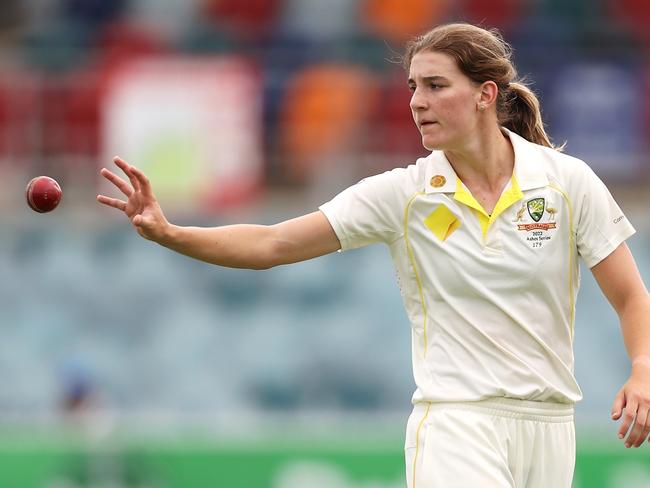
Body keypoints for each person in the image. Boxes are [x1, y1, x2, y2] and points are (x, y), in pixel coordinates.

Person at [97, 23, 650, 488]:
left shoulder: (565, 182)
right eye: (413, 86)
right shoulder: (402, 194)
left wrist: (643, 368)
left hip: (551, 424)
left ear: (486, 94)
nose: (416, 101)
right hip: (457, 423)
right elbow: (272, 244)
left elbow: (629, 296)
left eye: (435, 86)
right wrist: (171, 232)